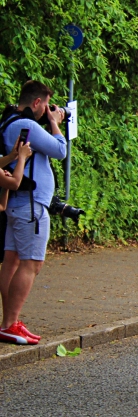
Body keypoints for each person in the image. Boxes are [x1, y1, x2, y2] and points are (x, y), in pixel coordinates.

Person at [0, 80, 67, 346]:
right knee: (32, 263)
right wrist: (55, 123)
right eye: (45, 106)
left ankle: (10, 322)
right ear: (37, 102)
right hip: (30, 204)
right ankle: (8, 324)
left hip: (19, 203)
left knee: (12, 260)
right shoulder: (25, 125)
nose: (46, 111)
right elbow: (60, 150)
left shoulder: (8, 121)